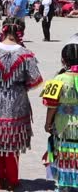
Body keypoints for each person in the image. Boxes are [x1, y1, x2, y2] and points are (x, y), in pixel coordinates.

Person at [0, 17, 43, 190]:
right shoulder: (26, 54)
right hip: (16, 98)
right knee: (12, 141)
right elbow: (34, 80)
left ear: (3, 30)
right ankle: (12, 179)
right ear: (20, 31)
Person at [42, 35, 78, 191]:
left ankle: (65, 186)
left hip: (63, 126)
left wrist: (47, 123)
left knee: (64, 154)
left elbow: (51, 106)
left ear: (64, 60)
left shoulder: (58, 79)